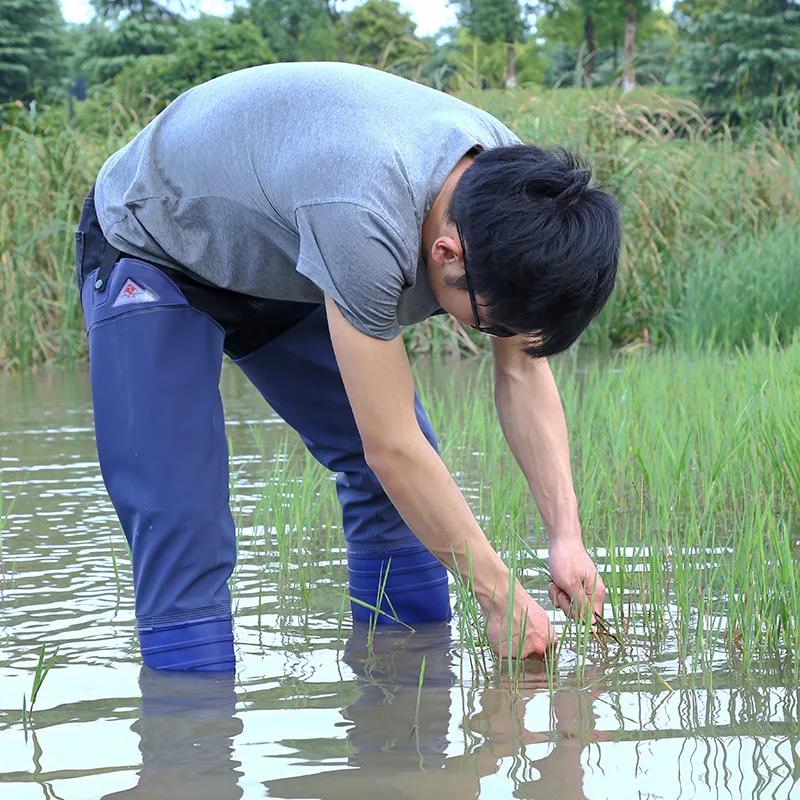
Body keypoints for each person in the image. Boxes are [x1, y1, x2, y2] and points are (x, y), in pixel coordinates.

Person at [74, 61, 621, 672]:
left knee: (404, 502)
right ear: (447, 253)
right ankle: (189, 750)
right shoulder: (364, 215)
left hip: (288, 249)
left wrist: (565, 539)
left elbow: (521, 373)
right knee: (182, 528)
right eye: (486, 323)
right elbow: (389, 445)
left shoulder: (520, 199)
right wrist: (498, 594)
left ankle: (402, 732)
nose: (492, 337)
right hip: (155, 242)